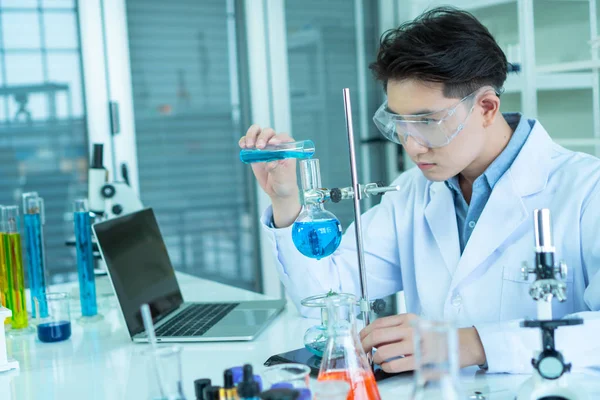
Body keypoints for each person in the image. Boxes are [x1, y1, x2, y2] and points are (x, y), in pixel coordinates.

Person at [238, 7, 600, 374]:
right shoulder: (412, 192)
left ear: (487, 108)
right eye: (399, 123)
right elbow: (325, 298)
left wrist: (471, 343)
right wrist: (285, 199)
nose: (411, 146)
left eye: (427, 121)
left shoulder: (587, 189)